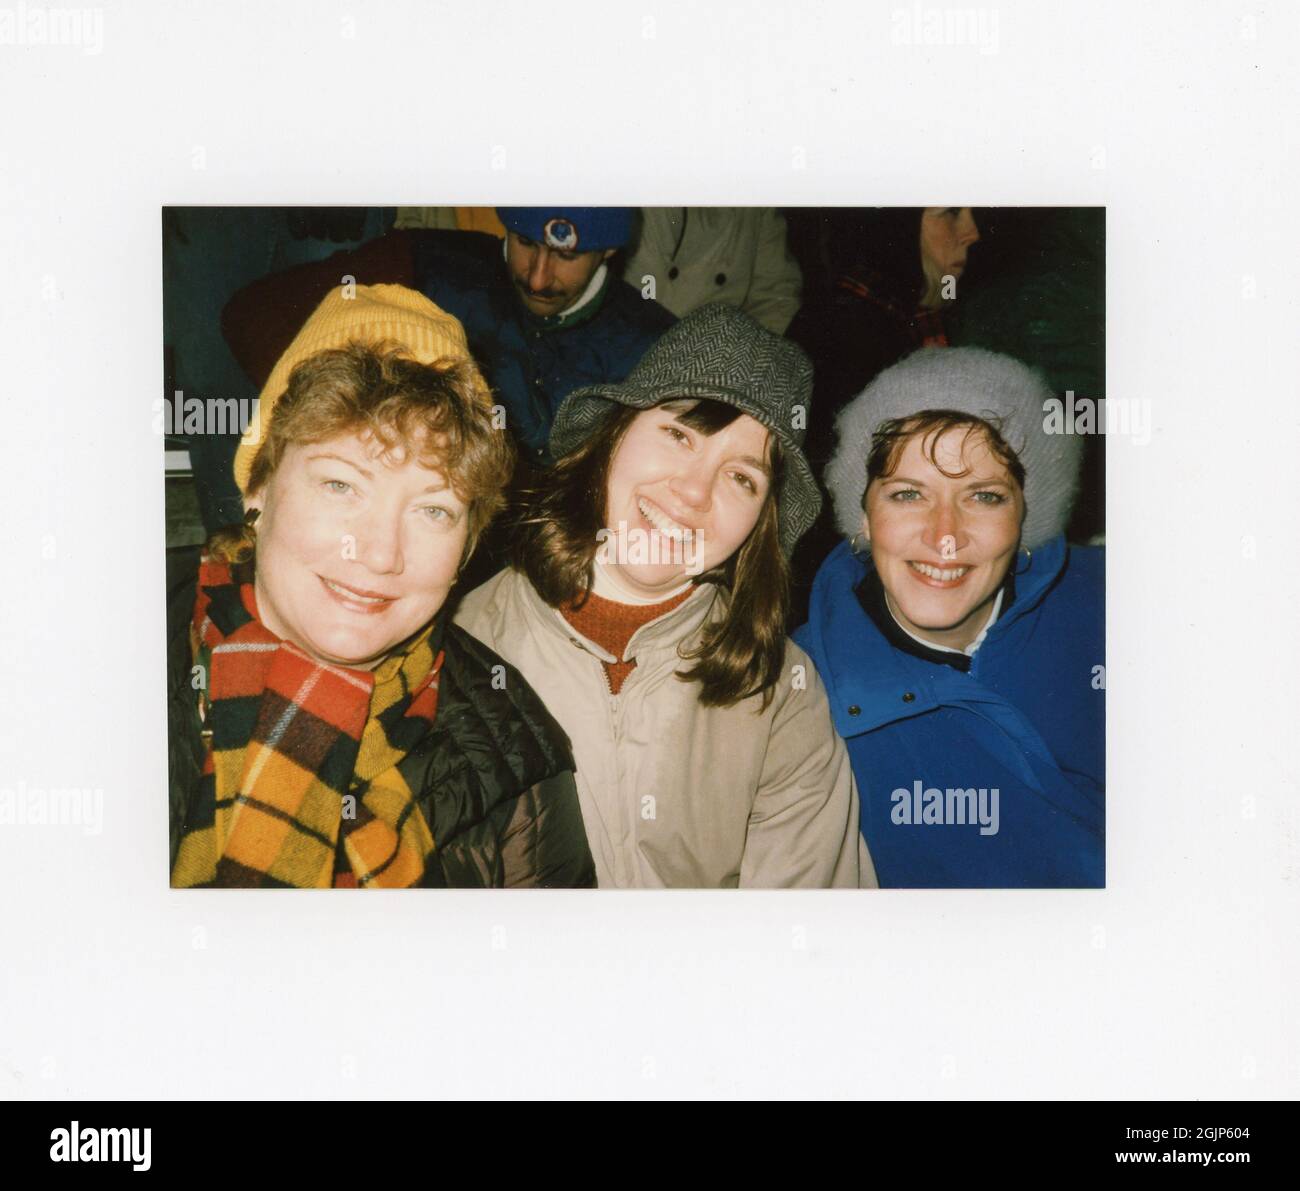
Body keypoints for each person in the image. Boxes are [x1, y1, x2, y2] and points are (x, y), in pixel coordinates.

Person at [169, 284, 595, 888]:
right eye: (341, 485)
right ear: (259, 486)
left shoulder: (516, 761)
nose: (379, 553)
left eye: (433, 510)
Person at [455, 303, 874, 889]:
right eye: (679, 435)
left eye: (741, 477)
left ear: (759, 524)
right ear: (614, 434)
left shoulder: (780, 691)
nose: (693, 491)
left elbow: (806, 941)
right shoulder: (464, 642)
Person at [793, 347, 1104, 888]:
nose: (945, 535)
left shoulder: (1117, 607)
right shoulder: (797, 699)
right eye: (908, 494)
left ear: (1029, 517)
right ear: (862, 517)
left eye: (984, 496)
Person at [220, 207, 675, 466]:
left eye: (566, 256)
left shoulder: (653, 343)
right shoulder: (427, 263)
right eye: (526, 244)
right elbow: (254, 315)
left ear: (610, 252)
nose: (537, 279)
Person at [620, 207, 802, 334]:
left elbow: (776, 294)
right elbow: (643, 291)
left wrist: (742, 355)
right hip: (646, 346)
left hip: (726, 352)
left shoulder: (755, 200)